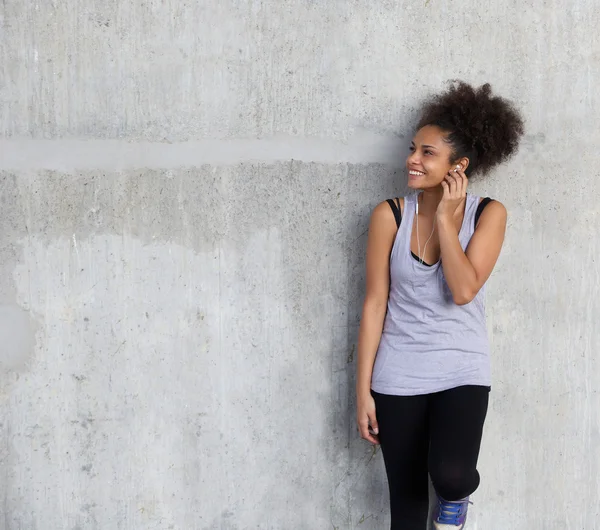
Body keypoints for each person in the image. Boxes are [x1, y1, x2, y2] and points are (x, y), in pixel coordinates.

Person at [355, 81, 524, 529]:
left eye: (427, 153)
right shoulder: (388, 215)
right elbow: (374, 305)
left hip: (460, 367)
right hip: (398, 371)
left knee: (451, 475)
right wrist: (362, 392)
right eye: (413, 149)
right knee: (406, 509)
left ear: (458, 166)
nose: (412, 159)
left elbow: (463, 289)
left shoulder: (489, 213)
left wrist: (448, 223)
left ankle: (456, 503)